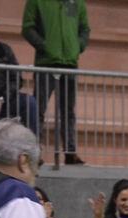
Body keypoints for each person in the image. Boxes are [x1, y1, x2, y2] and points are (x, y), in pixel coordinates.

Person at [22, 0, 89, 165]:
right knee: (38, 109)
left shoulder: (77, 3)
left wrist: (77, 47)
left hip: (70, 64)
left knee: (68, 111)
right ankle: (34, 153)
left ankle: (70, 153)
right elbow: (28, 28)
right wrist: (45, 46)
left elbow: (84, 29)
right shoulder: (37, 2)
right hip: (46, 63)